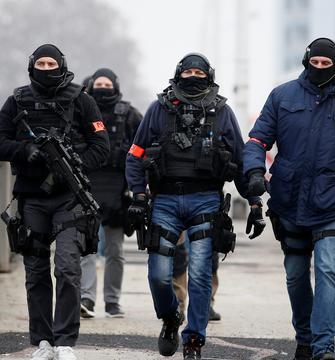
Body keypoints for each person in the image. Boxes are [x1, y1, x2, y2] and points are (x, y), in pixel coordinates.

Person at [243, 38, 335, 360]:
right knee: (296, 275)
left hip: (333, 204)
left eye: (326, 64)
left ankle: (324, 348)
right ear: (306, 61)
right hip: (289, 201)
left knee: (326, 270)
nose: (319, 69)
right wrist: (254, 171)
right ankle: (305, 339)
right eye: (315, 63)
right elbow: (256, 139)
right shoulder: (282, 97)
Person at [126, 53, 265, 360]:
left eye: (198, 72)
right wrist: (138, 195)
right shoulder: (158, 110)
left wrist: (254, 202)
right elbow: (135, 155)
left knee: (201, 274)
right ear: (178, 74)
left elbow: (241, 161)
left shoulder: (222, 112)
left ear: (209, 76)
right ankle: (171, 317)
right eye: (188, 71)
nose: (193, 76)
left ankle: (194, 340)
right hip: (164, 201)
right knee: (159, 275)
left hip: (206, 199)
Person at [0, 44, 109, 360]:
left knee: (68, 267)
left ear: (62, 65)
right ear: (31, 66)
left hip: (70, 199)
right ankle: (42, 341)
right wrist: (24, 152)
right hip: (32, 199)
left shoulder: (81, 99)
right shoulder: (17, 101)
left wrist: (71, 164)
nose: (45, 67)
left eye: (50, 62)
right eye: (40, 62)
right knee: (36, 270)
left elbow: (101, 146)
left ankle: (65, 341)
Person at [80, 68, 143, 319]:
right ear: (91, 85)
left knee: (115, 251)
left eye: (107, 84)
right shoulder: (82, 111)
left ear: (115, 86)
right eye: (98, 83)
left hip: (118, 191)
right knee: (87, 248)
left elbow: (145, 142)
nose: (103, 88)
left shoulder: (128, 114)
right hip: (87, 188)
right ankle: (86, 298)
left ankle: (112, 301)